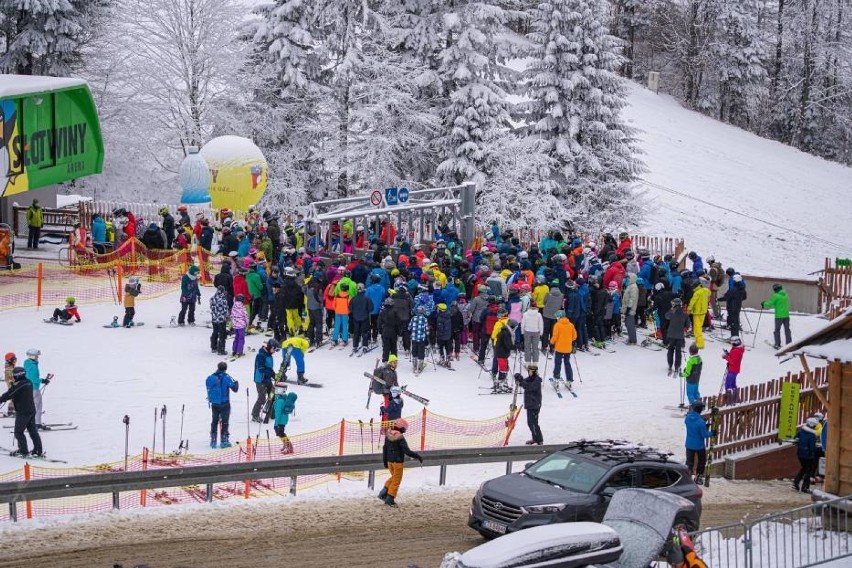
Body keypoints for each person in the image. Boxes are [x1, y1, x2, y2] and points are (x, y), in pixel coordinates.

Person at [378, 417, 423, 507]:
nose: (404, 431)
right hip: (398, 463)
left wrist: (385, 462)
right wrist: (417, 456)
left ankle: (383, 493)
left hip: (390, 462)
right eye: (404, 429)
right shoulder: (400, 438)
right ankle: (390, 499)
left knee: (393, 478)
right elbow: (407, 451)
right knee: (396, 481)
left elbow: (385, 449)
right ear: (401, 428)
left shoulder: (388, 435)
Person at [0, 367, 44, 457]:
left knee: (18, 432)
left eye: (14, 375)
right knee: (33, 431)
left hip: (23, 412)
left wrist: (1, 399)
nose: (13, 377)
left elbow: (10, 393)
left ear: (18, 375)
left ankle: (23, 451)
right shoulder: (28, 382)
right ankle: (38, 450)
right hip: (31, 410)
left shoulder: (20, 384)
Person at [206, 361, 239, 449]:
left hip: (215, 403)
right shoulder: (226, 377)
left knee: (214, 421)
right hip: (224, 403)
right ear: (225, 368)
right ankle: (224, 441)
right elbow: (235, 389)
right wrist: (236, 383)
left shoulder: (211, 377)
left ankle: (213, 440)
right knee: (225, 422)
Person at [684, 400, 715, 484]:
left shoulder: (687, 418)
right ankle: (698, 477)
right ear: (700, 409)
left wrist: (704, 425)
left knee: (689, 462)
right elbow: (704, 435)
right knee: (701, 462)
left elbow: (693, 426)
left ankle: (687, 477)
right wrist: (712, 433)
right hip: (699, 446)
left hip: (689, 444)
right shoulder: (700, 422)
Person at [23, 348, 52, 430]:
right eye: (36, 356)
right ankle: (37, 423)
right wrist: (43, 380)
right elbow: (33, 379)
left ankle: (30, 422)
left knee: (31, 406)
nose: (37, 357)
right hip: (34, 388)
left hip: (28, 388)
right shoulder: (33, 366)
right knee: (38, 406)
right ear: (32, 356)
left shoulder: (27, 363)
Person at [252, 339, 279, 422]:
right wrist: (271, 373)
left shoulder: (269, 355)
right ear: (270, 347)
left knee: (272, 395)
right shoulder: (261, 355)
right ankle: (255, 415)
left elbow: (269, 368)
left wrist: (274, 375)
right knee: (262, 398)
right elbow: (261, 368)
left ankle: (270, 413)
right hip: (260, 379)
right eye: (274, 349)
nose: (274, 351)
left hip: (267, 379)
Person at [515, 363, 543, 445]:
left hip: (534, 405)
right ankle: (536, 438)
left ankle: (538, 439)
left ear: (534, 372)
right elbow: (523, 383)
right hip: (530, 404)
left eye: (531, 371)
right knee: (531, 423)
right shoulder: (530, 379)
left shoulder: (537, 380)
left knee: (533, 423)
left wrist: (522, 381)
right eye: (529, 371)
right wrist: (519, 378)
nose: (529, 372)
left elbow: (529, 387)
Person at [550, 310, 577, 387]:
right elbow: (574, 336)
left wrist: (551, 342)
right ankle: (570, 380)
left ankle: (556, 379)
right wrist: (568, 340)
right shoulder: (571, 325)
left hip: (559, 348)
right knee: (567, 363)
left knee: (558, 364)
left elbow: (555, 336)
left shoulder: (557, 325)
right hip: (568, 348)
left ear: (559, 317)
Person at [793, 417, 818, 493]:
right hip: (808, 455)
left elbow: (795, 439)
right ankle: (805, 487)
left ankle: (796, 482)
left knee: (804, 468)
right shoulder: (811, 435)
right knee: (809, 470)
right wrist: (812, 453)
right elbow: (812, 446)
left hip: (800, 453)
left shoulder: (801, 431)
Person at [763, 283, 791, 349]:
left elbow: (769, 304)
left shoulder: (776, 296)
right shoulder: (786, 295)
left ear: (775, 289)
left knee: (777, 330)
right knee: (787, 330)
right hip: (786, 315)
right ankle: (789, 344)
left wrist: (763, 303)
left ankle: (777, 344)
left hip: (779, 316)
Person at [666, 298, 689, 376]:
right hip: (680, 336)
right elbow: (687, 325)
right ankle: (677, 366)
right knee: (678, 352)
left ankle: (670, 365)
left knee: (670, 350)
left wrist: (671, 310)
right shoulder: (685, 314)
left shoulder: (671, 313)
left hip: (671, 335)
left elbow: (666, 316)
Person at [349, 283, 373, 355]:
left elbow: (350, 308)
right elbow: (371, 308)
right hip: (365, 317)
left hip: (356, 317)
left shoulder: (353, 298)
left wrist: (355, 312)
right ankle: (365, 345)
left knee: (356, 332)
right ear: (363, 289)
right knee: (364, 332)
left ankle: (355, 346)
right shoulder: (367, 299)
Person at [273, 386, 298, 453]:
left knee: (281, 433)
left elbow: (278, 412)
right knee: (281, 433)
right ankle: (286, 445)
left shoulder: (279, 400)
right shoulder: (284, 398)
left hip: (280, 420)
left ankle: (289, 447)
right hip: (284, 420)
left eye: (277, 389)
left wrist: (276, 423)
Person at [687, 279, 710, 349]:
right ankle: (697, 341)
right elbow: (709, 294)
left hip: (697, 313)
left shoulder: (697, 293)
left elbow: (692, 302)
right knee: (699, 327)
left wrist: (689, 309)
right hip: (703, 312)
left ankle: (700, 344)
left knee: (697, 329)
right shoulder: (706, 291)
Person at [722, 337, 745, 404]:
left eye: (732, 343)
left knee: (728, 385)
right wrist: (728, 354)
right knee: (732, 384)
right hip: (733, 369)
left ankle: (729, 401)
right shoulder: (736, 349)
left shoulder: (737, 350)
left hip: (733, 370)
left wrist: (725, 357)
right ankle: (736, 399)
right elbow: (732, 357)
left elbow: (733, 361)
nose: (731, 344)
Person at [209, 286, 230, 356]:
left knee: (215, 332)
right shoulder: (223, 299)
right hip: (221, 319)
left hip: (214, 319)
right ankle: (221, 349)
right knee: (222, 334)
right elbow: (225, 309)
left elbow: (211, 308)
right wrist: (227, 316)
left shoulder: (212, 298)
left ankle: (213, 346)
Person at [409, 305, 428, 374]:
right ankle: (420, 365)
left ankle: (414, 364)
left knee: (414, 350)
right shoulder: (425, 319)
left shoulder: (413, 318)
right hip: (421, 339)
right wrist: (427, 335)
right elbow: (427, 330)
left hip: (414, 338)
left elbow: (409, 327)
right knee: (421, 351)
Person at [622, 273, 638, 344]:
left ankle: (632, 340)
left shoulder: (633, 287)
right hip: (627, 308)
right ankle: (631, 338)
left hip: (630, 309)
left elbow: (632, 298)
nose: (627, 279)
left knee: (630, 325)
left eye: (628, 278)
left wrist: (629, 307)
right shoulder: (630, 286)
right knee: (627, 324)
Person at [435, 302, 453, 367]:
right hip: (448, 336)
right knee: (447, 348)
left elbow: (440, 329)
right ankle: (448, 360)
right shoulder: (448, 315)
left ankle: (442, 359)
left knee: (441, 348)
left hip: (442, 336)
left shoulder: (440, 318)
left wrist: (438, 336)